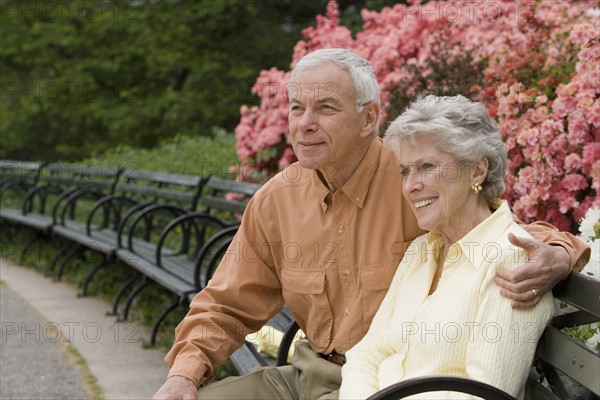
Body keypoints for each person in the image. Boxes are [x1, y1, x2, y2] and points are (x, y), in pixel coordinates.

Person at [152, 49, 589, 400]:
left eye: (325, 108)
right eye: (297, 108)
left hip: (391, 383)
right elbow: (227, 304)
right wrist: (185, 377)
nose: (305, 124)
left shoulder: (416, 183)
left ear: (368, 119)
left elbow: (499, 230)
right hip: (307, 374)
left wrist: (558, 254)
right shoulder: (277, 201)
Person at [339, 94, 555, 399]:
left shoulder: (513, 260)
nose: (411, 185)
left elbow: (486, 394)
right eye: (405, 170)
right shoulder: (421, 251)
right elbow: (365, 357)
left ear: (477, 171)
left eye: (427, 166)